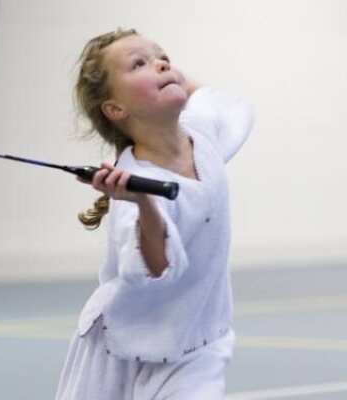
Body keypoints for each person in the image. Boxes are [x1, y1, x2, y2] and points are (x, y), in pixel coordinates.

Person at [55, 28, 254, 400]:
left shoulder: (204, 131)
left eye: (163, 57)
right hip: (118, 348)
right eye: (138, 64)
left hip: (195, 347)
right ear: (115, 109)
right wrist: (143, 202)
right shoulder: (139, 182)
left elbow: (228, 103)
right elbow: (157, 269)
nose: (161, 64)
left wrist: (167, 75)